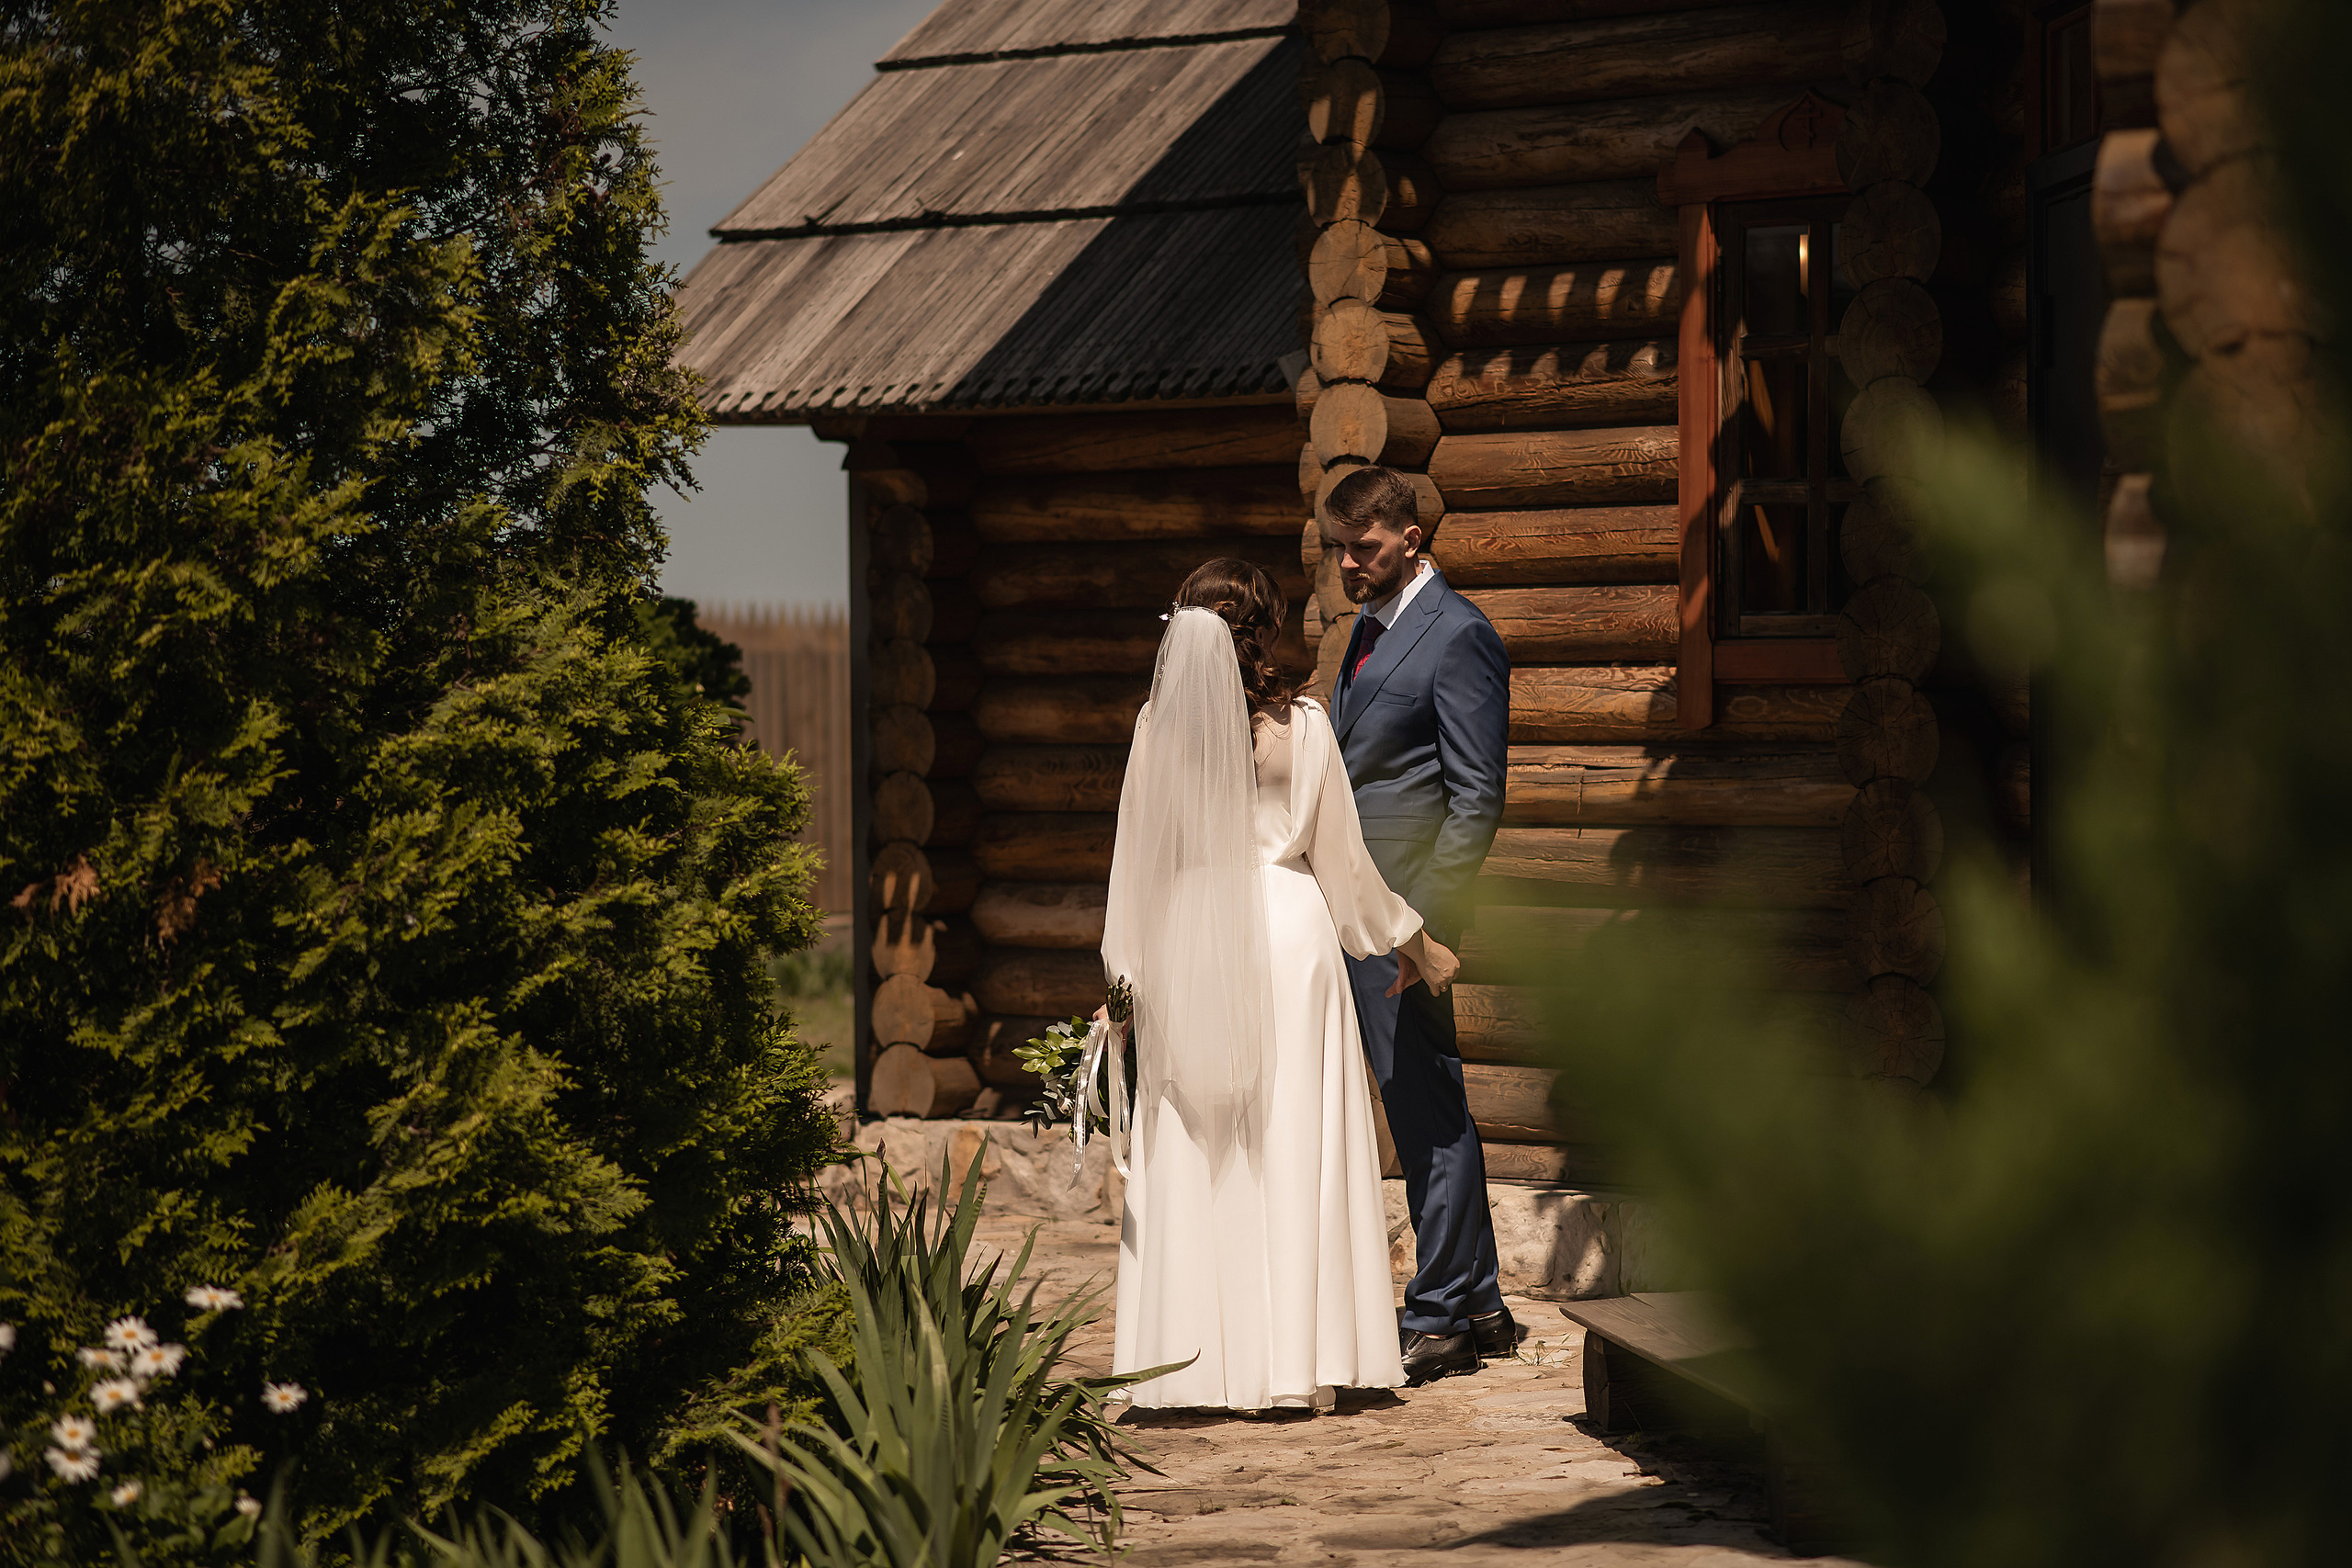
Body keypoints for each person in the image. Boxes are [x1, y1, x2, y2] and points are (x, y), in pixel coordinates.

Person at [1105, 558, 1460, 1414]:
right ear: (1262, 631)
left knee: (1207, 1141)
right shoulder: (1301, 725)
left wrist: (1125, 981)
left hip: (1191, 934)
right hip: (1292, 936)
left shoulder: (1158, 729)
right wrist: (1413, 939)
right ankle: (1303, 1355)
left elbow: (1135, 873)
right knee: (1292, 1139)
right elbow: (1341, 859)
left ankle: (1191, 1364)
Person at [1323, 465, 1514, 1384]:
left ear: (1407, 535)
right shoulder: (1369, 628)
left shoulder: (1459, 635)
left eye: (1360, 549)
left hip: (1401, 919)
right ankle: (1479, 1303)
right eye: (1338, 549)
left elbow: (1475, 799)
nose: (1345, 566)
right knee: (1427, 1098)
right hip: (1360, 905)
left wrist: (1420, 930)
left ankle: (1437, 1316)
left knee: (1424, 1107)